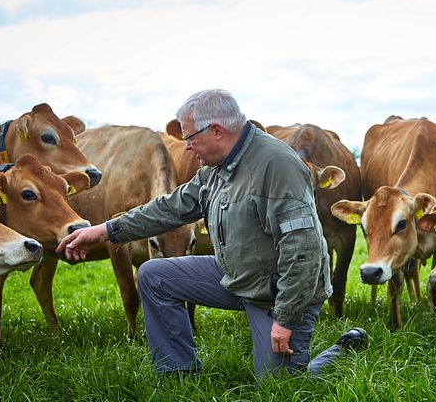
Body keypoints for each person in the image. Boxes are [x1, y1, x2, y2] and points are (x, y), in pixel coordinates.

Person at [57, 88, 368, 380]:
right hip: (238, 276)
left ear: (217, 130)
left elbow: (305, 249)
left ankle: (341, 349)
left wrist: (285, 319)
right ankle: (178, 373)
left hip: (280, 291)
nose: (187, 145)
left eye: (190, 136)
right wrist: (107, 231)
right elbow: (171, 207)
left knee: (280, 386)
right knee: (154, 276)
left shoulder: (277, 166)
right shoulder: (217, 166)